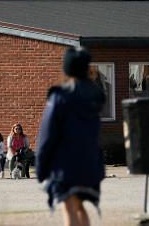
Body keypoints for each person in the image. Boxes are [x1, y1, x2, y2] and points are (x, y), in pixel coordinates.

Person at [35, 46, 106, 226]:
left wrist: (41, 167)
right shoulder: (95, 97)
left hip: (66, 166)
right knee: (80, 206)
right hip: (89, 162)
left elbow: (47, 135)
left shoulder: (60, 98)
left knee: (69, 207)